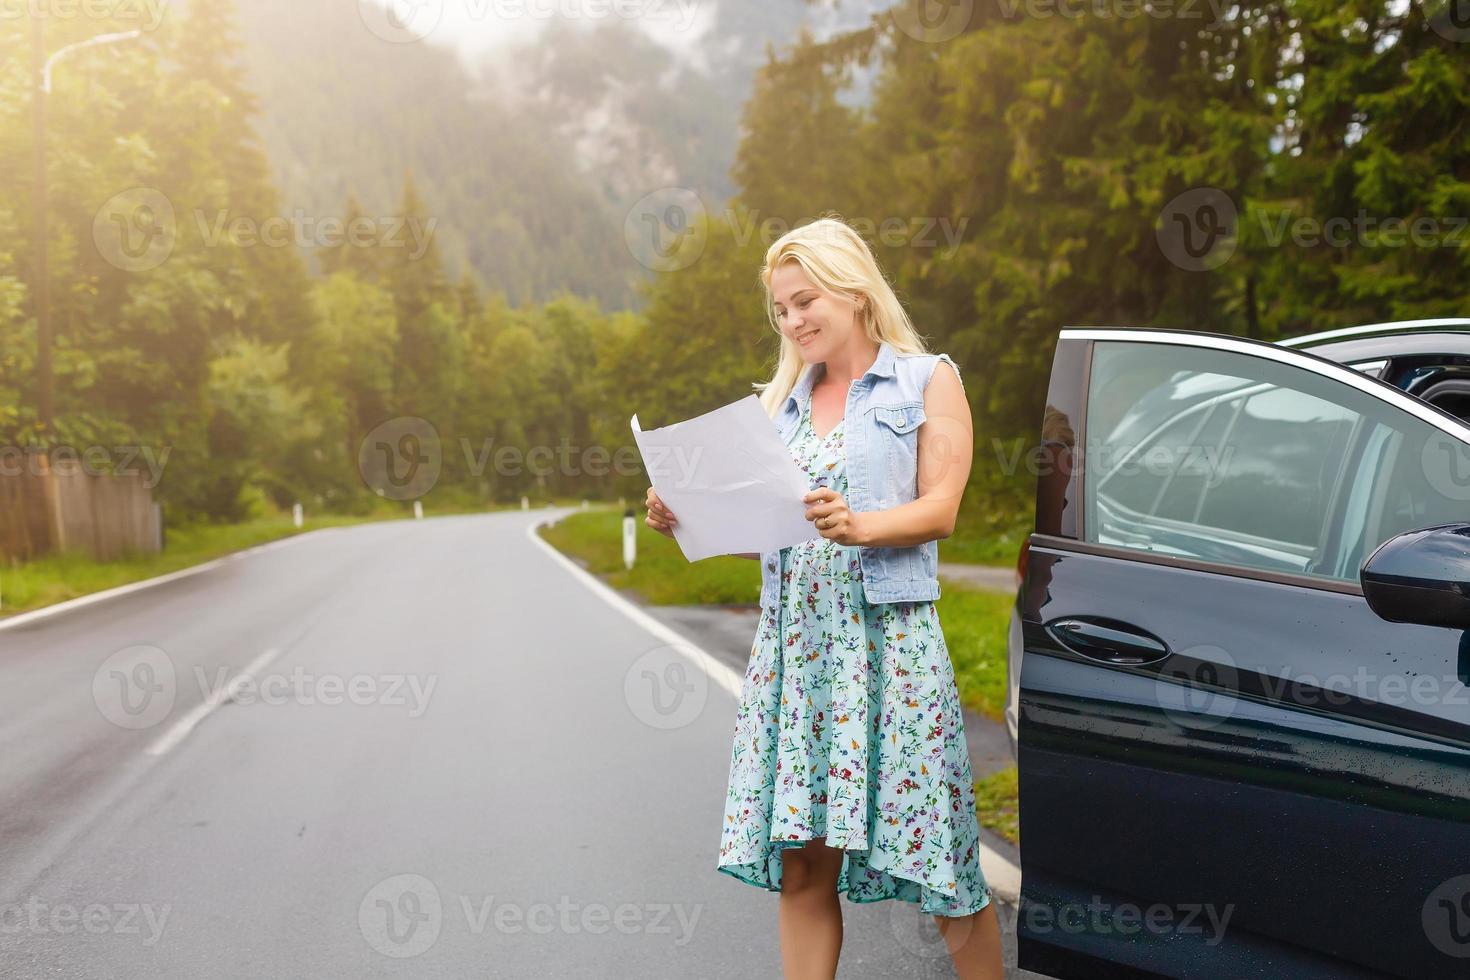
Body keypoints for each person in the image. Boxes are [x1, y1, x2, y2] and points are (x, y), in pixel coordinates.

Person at [645, 216, 1003, 979]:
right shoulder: (780, 408)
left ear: (853, 288)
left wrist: (860, 523)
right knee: (804, 867)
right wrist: (687, 519)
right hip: (798, 658)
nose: (793, 320)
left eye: (804, 300)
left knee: (942, 867)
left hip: (891, 650)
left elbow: (942, 507)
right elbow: (767, 534)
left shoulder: (925, 379)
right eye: (781, 309)